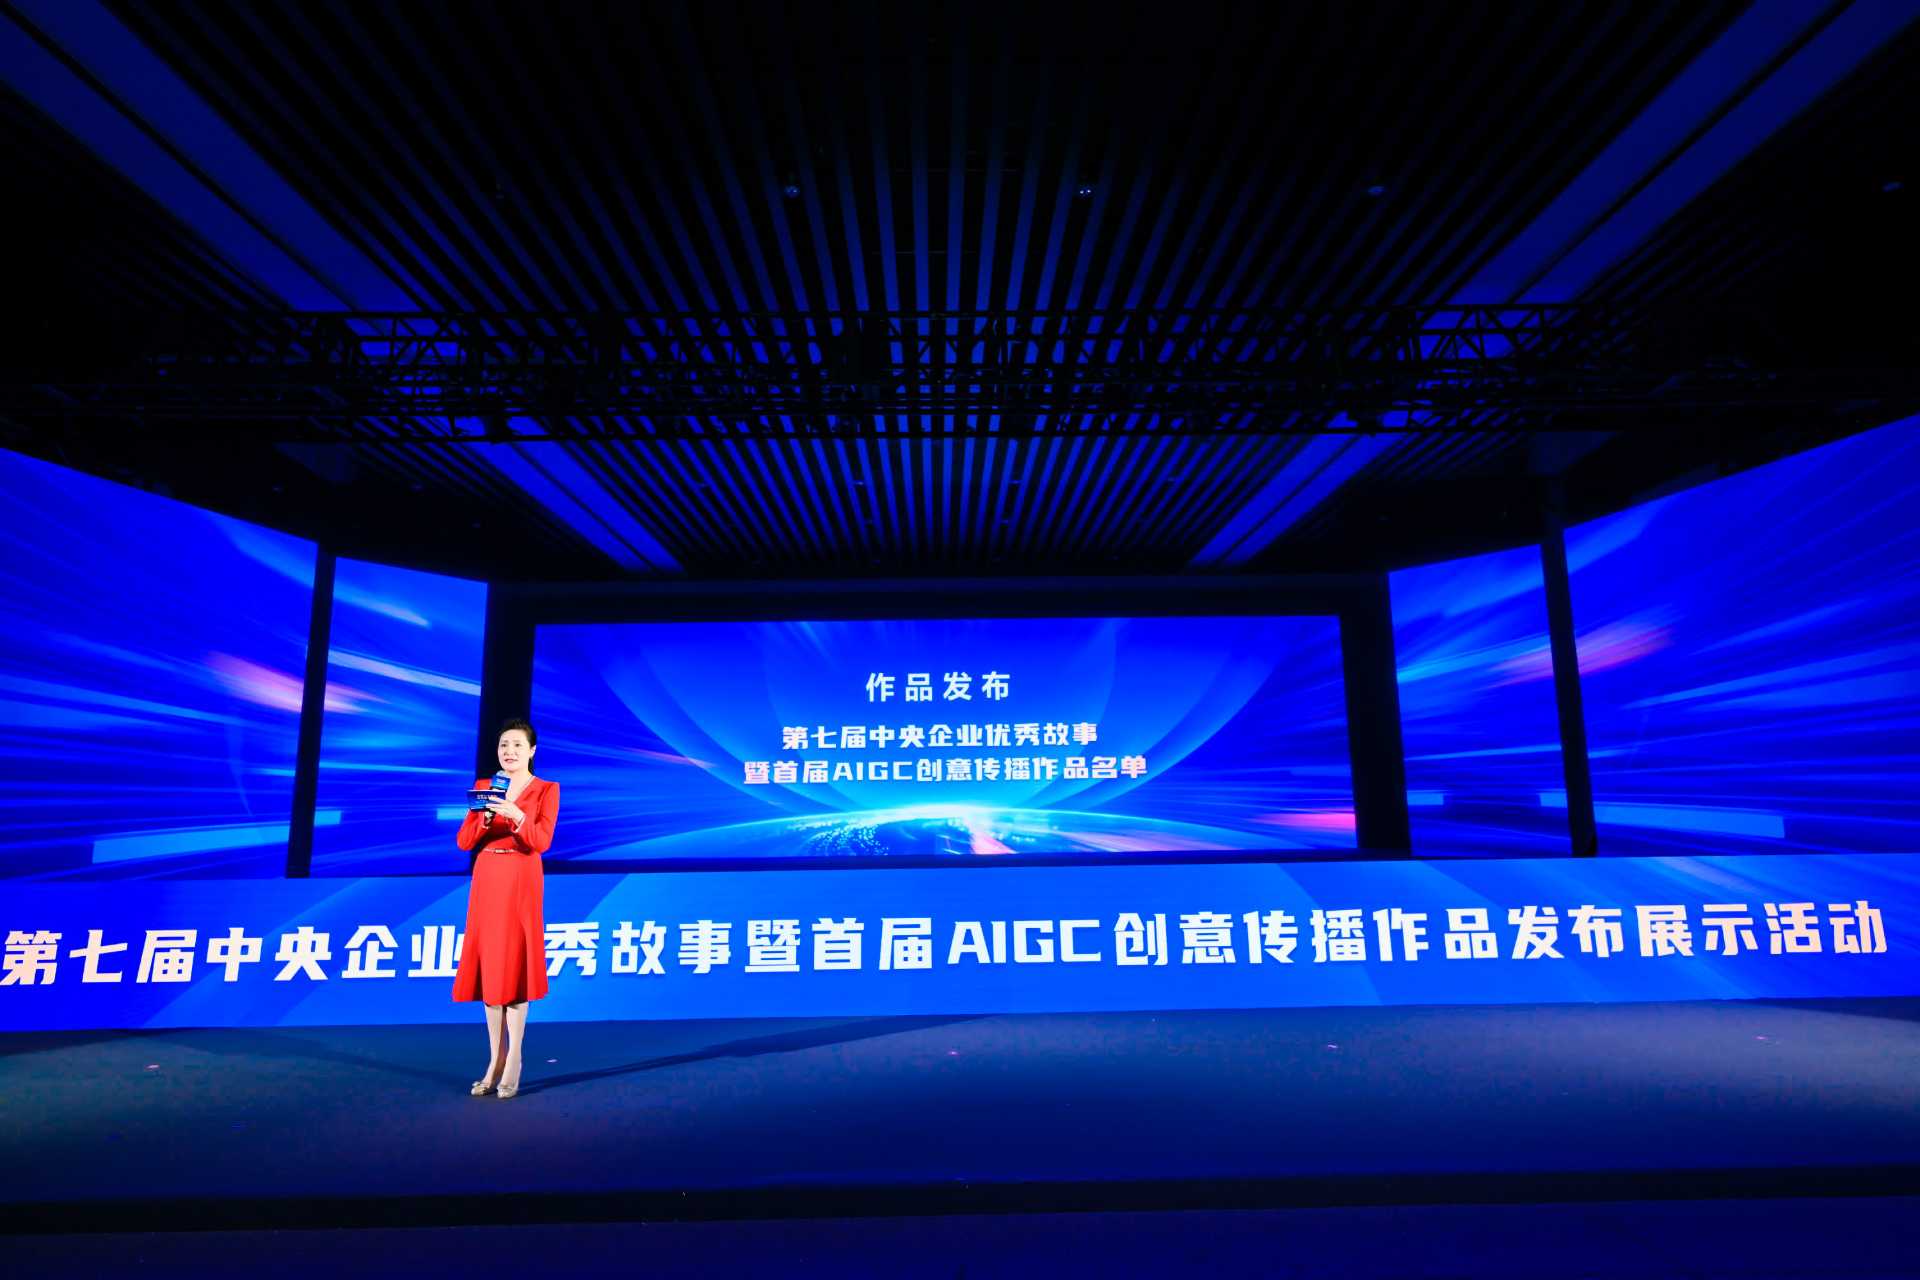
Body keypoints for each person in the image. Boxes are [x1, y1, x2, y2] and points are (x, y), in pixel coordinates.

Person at [452, 717, 559, 1099]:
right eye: (503, 745)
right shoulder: (486, 787)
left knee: (514, 965)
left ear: (532, 750)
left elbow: (541, 841)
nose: (509, 751)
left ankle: (514, 1058)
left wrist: (516, 816)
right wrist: (485, 820)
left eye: (517, 745)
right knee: (491, 968)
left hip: (521, 876)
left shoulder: (546, 789)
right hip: (487, 875)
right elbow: (464, 841)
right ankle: (494, 1059)